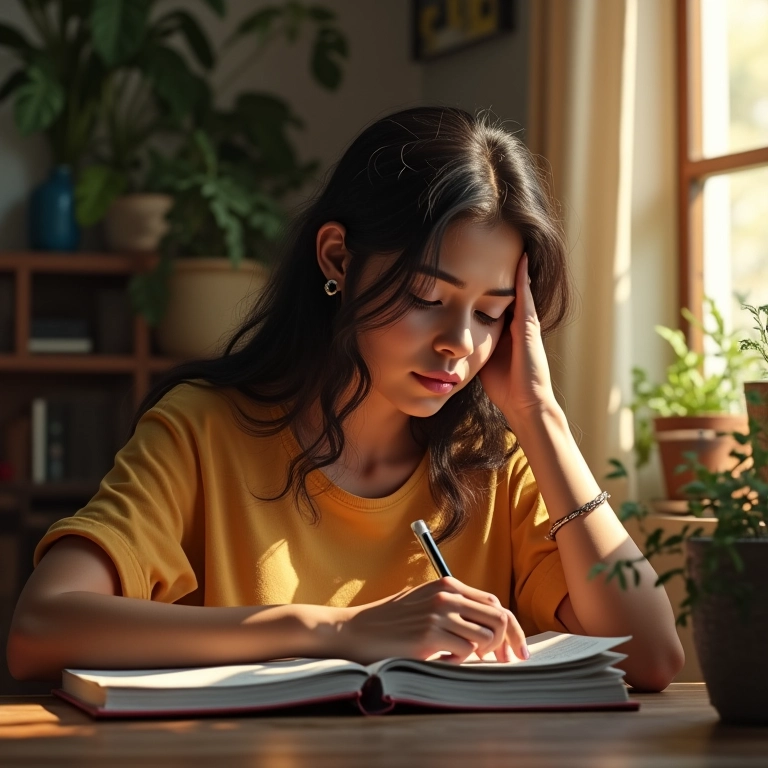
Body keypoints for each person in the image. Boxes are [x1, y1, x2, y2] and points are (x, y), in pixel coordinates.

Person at [7, 107, 684, 691]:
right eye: (428, 298)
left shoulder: (494, 463)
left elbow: (651, 655)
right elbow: (40, 628)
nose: (458, 343)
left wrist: (541, 416)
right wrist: (335, 629)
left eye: (491, 313)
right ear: (337, 258)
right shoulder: (201, 431)